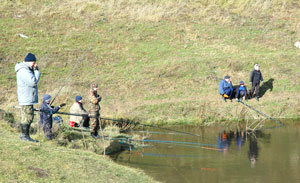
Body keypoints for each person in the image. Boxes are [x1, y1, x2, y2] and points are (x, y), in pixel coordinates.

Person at [15, 53, 41, 142]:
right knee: (28, 117)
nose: (35, 64)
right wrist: (37, 72)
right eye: (33, 62)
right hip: (26, 98)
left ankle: (24, 135)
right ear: (29, 61)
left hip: (26, 97)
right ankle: (25, 136)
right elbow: (32, 82)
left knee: (27, 116)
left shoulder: (26, 69)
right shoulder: (24, 70)